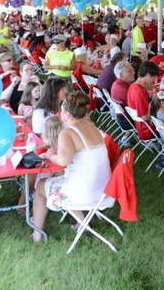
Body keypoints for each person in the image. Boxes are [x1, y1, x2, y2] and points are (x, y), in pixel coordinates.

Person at [32, 91, 111, 242]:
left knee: (41, 187)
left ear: (67, 114)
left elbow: (63, 161)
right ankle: (81, 223)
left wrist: (50, 156)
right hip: (103, 189)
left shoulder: (67, 133)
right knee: (60, 178)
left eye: (61, 110)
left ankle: (37, 234)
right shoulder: (92, 127)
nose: (59, 112)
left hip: (84, 192)